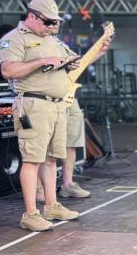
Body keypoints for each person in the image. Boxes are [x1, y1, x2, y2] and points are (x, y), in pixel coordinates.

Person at [0, 0, 80, 232]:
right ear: (32, 16)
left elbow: (65, 58)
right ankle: (30, 212)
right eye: (47, 21)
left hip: (56, 104)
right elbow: (8, 70)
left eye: (54, 22)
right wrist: (43, 61)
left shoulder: (52, 39)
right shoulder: (14, 39)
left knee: (52, 157)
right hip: (34, 104)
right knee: (32, 159)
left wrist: (68, 63)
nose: (50, 26)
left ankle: (51, 204)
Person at [37, 20, 109, 199]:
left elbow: (79, 63)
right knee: (44, 146)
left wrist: (99, 50)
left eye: (57, 22)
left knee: (71, 141)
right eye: (51, 21)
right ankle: (39, 187)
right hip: (48, 97)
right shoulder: (36, 44)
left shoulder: (60, 44)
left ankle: (67, 184)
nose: (56, 25)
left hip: (69, 97)